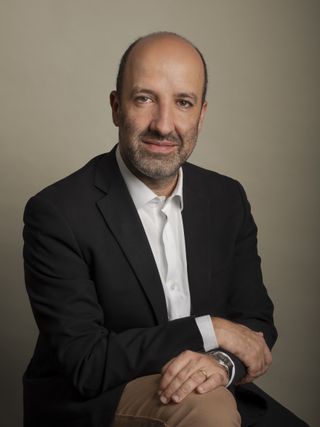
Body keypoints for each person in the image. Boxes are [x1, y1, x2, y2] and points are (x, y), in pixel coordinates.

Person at [23, 32, 307, 427]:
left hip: (212, 387)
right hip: (97, 400)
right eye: (144, 98)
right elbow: (87, 363)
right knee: (209, 414)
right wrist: (211, 330)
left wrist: (221, 362)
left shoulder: (227, 199)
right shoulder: (56, 212)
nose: (164, 124)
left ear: (202, 114)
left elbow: (255, 324)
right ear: (115, 107)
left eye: (183, 103)